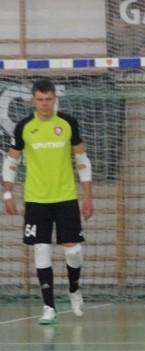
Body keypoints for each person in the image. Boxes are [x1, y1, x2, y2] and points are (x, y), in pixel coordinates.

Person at [3, 77, 93, 325]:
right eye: (40, 100)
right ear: (33, 100)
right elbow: (11, 161)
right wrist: (8, 194)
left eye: (48, 99)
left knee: (74, 251)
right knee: (41, 250)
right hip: (36, 200)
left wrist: (88, 195)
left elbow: (82, 160)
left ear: (55, 99)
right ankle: (49, 307)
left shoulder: (67, 123)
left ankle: (74, 288)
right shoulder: (24, 127)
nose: (44, 104)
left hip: (66, 198)